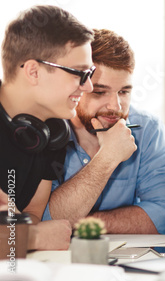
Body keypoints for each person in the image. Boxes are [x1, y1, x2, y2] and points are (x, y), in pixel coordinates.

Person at [40, 29, 165, 234]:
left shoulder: (148, 130)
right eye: (100, 92)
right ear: (75, 86)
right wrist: (107, 158)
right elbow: (43, 220)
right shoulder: (45, 130)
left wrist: (87, 223)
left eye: (124, 92)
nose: (116, 106)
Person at [0, 5, 94, 250]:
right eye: (79, 74)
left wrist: (16, 231)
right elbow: (30, 230)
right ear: (33, 71)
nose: (89, 87)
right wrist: (32, 238)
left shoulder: (53, 132)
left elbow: (32, 211)